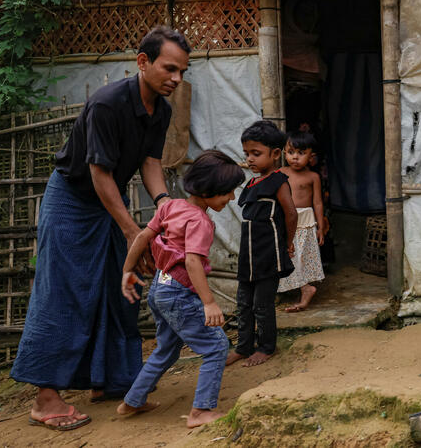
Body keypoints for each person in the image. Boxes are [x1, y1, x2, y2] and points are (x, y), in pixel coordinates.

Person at [11, 26, 190, 431]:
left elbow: (149, 163)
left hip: (109, 201)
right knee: (63, 291)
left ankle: (111, 380)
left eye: (182, 71)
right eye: (169, 69)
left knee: (121, 286)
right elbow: (99, 172)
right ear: (142, 62)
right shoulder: (108, 104)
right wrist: (132, 231)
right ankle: (45, 398)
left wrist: (165, 208)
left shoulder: (160, 110)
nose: (176, 79)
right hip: (74, 199)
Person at [116, 150, 244, 428]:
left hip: (160, 290)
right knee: (216, 346)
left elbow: (141, 236)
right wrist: (209, 302)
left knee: (167, 349)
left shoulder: (170, 206)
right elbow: (192, 261)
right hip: (178, 294)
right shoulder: (200, 221)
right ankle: (201, 412)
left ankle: (132, 401)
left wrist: (127, 270)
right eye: (228, 193)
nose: (231, 199)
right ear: (210, 191)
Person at [226, 120, 297, 367]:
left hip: (268, 254)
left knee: (262, 305)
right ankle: (243, 347)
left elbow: (290, 214)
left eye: (256, 154)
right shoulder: (251, 183)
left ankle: (266, 347)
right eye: (247, 154)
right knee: (243, 303)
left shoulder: (279, 181)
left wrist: (289, 243)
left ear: (275, 154)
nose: (250, 159)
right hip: (248, 255)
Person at [278, 131, 327, 312]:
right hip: (285, 220)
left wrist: (320, 227)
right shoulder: (281, 173)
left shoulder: (313, 177)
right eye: (291, 152)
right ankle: (304, 288)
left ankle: (306, 288)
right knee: (288, 256)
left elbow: (318, 202)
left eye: (301, 153)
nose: (295, 158)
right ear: (284, 153)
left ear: (311, 155)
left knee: (300, 258)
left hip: (305, 221)